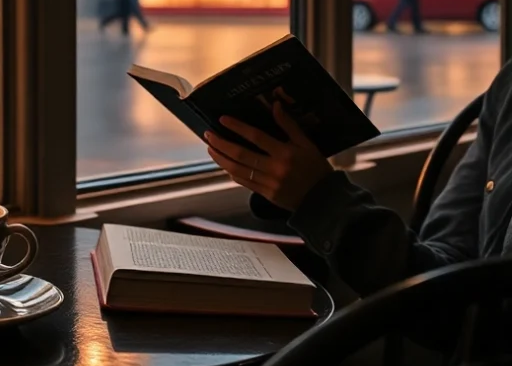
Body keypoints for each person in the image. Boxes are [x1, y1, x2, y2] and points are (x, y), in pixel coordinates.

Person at [204, 62, 512, 300]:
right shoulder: (507, 87)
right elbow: (443, 268)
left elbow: (462, 318)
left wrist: (318, 199)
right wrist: (308, 195)